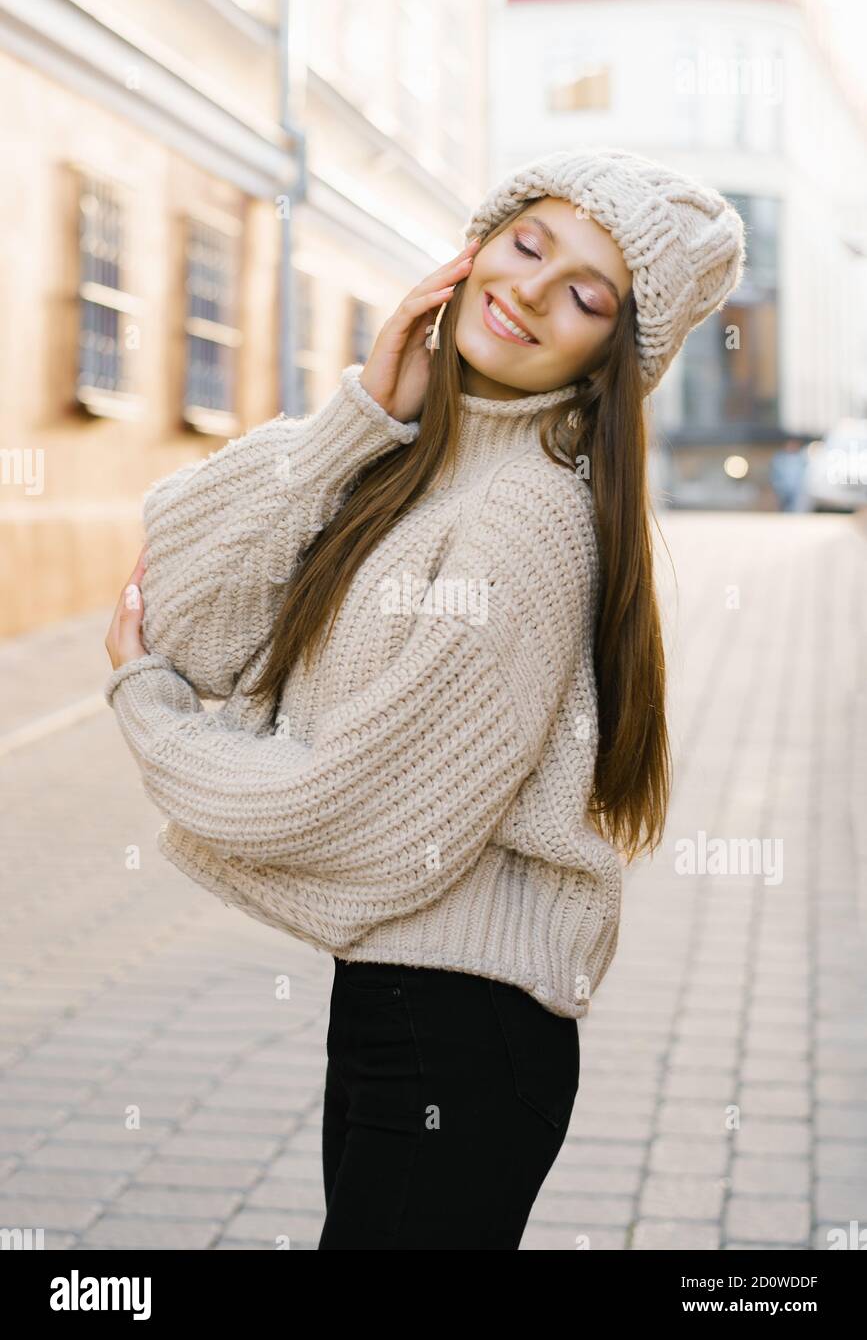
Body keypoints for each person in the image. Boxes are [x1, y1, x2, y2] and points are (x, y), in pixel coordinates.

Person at [103, 147, 745, 1250]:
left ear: (610, 356)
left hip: (460, 1037)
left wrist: (151, 719)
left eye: (587, 293)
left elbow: (353, 810)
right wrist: (361, 411)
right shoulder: (425, 462)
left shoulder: (524, 517)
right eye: (527, 243)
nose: (532, 291)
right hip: (403, 1010)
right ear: (478, 244)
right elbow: (193, 608)